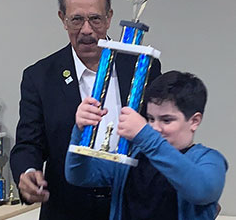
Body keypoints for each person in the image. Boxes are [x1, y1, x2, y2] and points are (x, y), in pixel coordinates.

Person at [10, 0, 161, 220]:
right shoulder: (39, 77)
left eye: (95, 19)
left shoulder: (141, 67)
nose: (87, 30)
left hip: (132, 206)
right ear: (63, 19)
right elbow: (29, 143)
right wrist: (27, 173)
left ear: (109, 17)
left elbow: (161, 134)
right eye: (77, 19)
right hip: (67, 208)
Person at [65, 70, 228, 220]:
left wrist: (144, 135)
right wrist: (80, 130)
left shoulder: (210, 160)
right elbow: (78, 174)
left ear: (194, 121)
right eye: (150, 119)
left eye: (166, 120)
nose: (155, 128)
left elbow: (199, 190)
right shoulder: (132, 155)